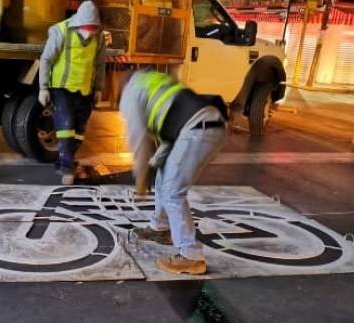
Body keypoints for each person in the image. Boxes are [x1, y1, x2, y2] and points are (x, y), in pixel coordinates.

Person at [120, 70, 228, 275]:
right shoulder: (153, 82)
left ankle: (191, 255)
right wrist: (153, 165)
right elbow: (169, 137)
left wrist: (141, 177)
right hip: (208, 125)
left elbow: (139, 139)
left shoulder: (130, 93)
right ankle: (159, 228)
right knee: (164, 177)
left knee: (172, 191)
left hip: (197, 129)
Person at [38, 0, 105, 186]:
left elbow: (100, 65)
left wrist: (99, 89)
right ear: (78, 23)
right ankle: (67, 170)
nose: (90, 32)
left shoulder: (99, 37)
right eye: (87, 27)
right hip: (62, 88)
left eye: (93, 28)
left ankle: (63, 162)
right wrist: (43, 88)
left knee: (79, 132)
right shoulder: (61, 31)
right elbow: (46, 60)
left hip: (85, 90)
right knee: (65, 128)